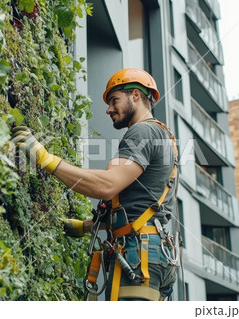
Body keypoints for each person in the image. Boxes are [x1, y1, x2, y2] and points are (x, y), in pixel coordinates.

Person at [11, 68, 178, 301]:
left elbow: (107, 185)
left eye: (114, 100)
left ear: (136, 96)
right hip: (156, 254)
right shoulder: (164, 136)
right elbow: (140, 207)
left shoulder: (142, 131)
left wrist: (47, 160)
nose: (109, 109)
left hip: (139, 254)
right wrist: (86, 226)